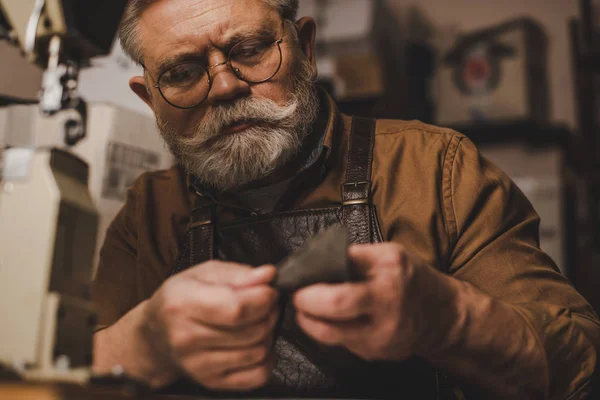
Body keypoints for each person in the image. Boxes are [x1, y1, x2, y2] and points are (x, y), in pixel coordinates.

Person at [92, 0, 600, 398]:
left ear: (306, 48)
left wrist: (450, 318)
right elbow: (52, 372)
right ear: (149, 99)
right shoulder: (147, 213)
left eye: (248, 50)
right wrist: (138, 347)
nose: (224, 86)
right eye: (182, 73)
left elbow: (582, 369)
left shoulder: (438, 169)